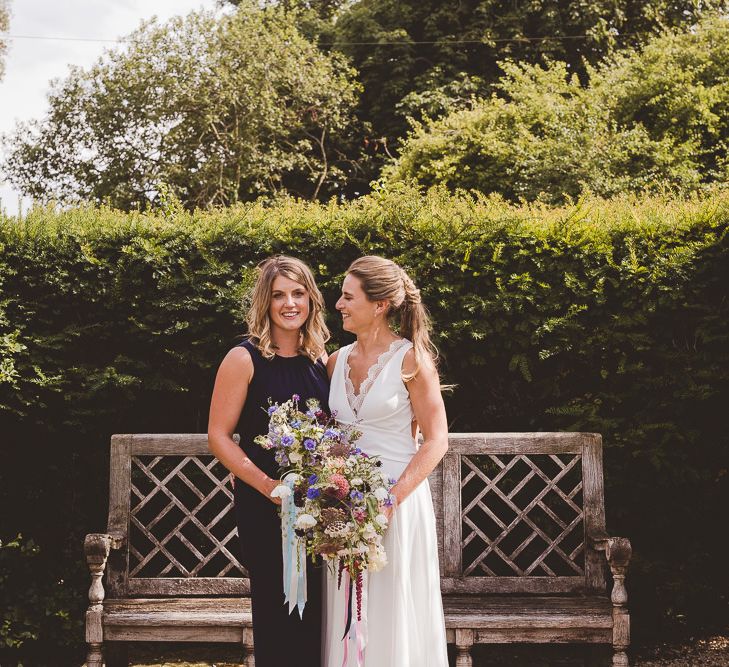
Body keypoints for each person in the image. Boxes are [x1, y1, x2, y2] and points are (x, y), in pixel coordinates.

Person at [323, 255, 449, 666]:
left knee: (394, 608)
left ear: (379, 305)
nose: (338, 305)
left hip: (396, 503)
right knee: (348, 606)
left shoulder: (412, 361)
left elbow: (436, 440)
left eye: (347, 297)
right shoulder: (334, 362)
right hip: (344, 506)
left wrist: (390, 501)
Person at [208, 255, 329, 667]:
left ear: (311, 299)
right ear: (266, 301)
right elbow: (219, 437)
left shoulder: (320, 361)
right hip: (265, 505)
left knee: (318, 616)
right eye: (279, 295)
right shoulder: (243, 358)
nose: (289, 303)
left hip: (318, 510)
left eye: (298, 293)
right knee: (277, 612)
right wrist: (269, 487)